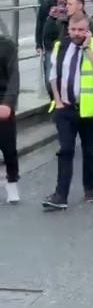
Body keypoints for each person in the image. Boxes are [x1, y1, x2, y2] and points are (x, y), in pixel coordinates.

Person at [42, 12, 93, 211]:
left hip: (88, 109)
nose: (77, 33)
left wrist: (87, 47)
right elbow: (54, 75)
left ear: (87, 29)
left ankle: (89, 188)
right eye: (73, 29)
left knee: (89, 150)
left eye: (81, 30)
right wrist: (57, 99)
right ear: (68, 29)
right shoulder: (60, 45)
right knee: (66, 150)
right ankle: (60, 195)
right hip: (65, 107)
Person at [0, 35, 20, 203]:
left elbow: (14, 76)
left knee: (8, 147)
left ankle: (12, 181)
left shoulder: (7, 45)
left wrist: (8, 102)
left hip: (2, 101)